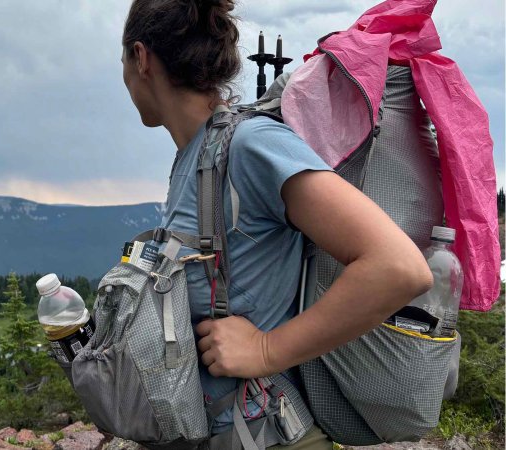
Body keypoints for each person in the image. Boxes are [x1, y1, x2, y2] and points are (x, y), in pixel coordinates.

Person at [120, 0, 433, 448]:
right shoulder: (194, 158)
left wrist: (266, 351)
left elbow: (398, 267)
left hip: (269, 435)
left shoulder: (250, 145)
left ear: (140, 57)